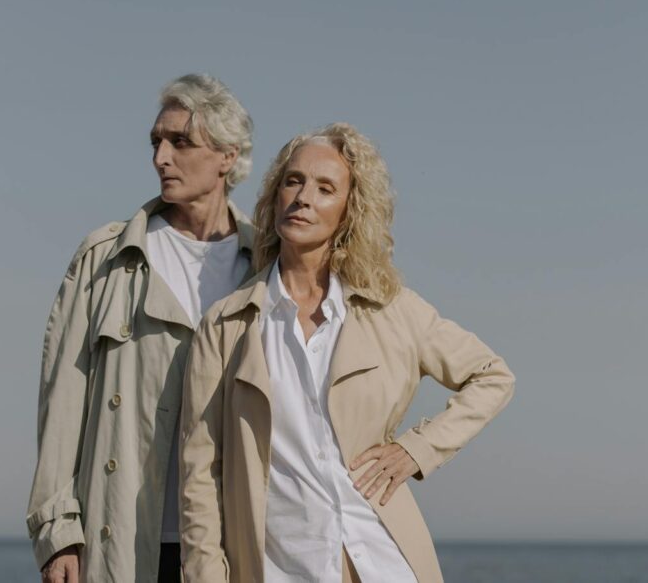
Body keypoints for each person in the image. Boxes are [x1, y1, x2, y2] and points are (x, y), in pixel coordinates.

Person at [179, 123, 515, 583]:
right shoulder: (224, 326)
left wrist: (415, 450)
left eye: (325, 188)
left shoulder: (391, 308)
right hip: (279, 567)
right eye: (293, 181)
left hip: (384, 560)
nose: (302, 198)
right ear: (275, 194)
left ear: (349, 211)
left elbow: (492, 376)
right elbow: (200, 475)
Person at [27, 74, 256, 583]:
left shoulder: (268, 266)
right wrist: (57, 531)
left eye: (180, 141)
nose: (160, 158)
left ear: (227, 156)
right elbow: (62, 397)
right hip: (122, 537)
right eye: (156, 141)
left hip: (231, 541)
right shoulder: (105, 258)